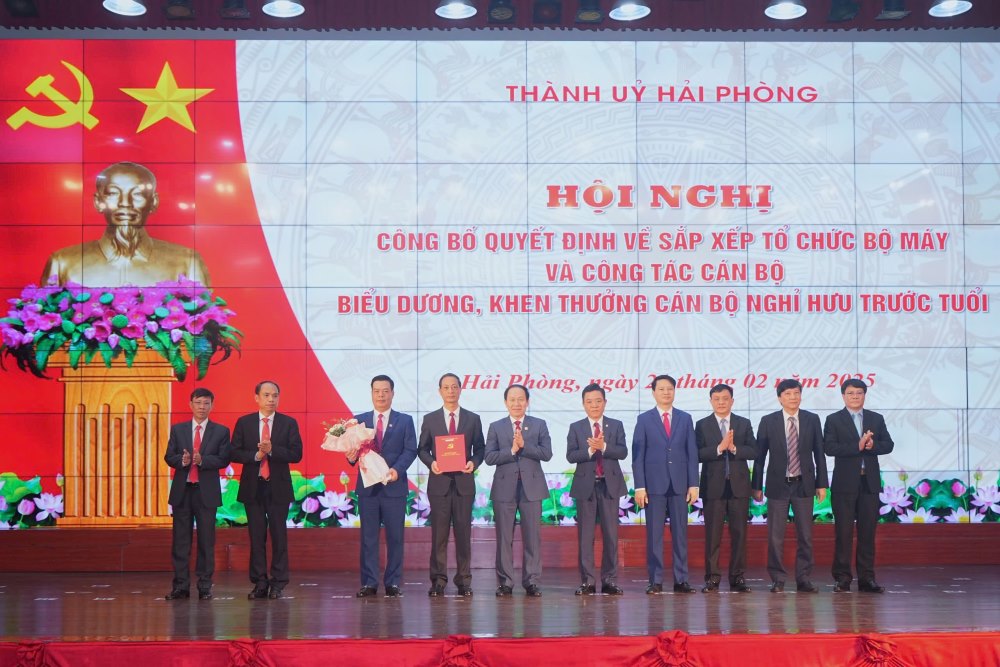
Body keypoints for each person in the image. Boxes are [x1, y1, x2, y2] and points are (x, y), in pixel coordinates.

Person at [41, 161, 210, 287]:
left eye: (137, 194)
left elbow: (204, 331)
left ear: (154, 202)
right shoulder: (62, 262)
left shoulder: (187, 262)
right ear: (99, 202)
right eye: (113, 193)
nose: (125, 203)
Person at [752, 378, 829, 593]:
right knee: (775, 536)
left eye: (796, 393)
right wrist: (756, 486)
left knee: (805, 535)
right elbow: (760, 457)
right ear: (779, 398)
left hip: (804, 484)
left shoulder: (812, 419)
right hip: (778, 485)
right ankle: (778, 578)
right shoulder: (768, 421)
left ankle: (803, 578)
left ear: (801, 395)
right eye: (787, 394)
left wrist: (821, 483)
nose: (792, 397)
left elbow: (819, 453)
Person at [230, 380, 303, 600]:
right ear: (257, 398)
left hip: (278, 487)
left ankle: (278, 583)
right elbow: (233, 452)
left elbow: (296, 453)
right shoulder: (244, 423)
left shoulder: (288, 423)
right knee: (256, 537)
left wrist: (272, 451)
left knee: (279, 536)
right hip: (254, 487)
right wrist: (255, 456)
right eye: (267, 395)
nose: (271, 399)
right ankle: (260, 582)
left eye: (275, 395)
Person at [417, 372, 485, 597]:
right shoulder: (430, 419)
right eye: (446, 387)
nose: (450, 391)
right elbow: (422, 449)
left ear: (460, 389)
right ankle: (438, 580)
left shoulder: (473, 419)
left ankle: (464, 580)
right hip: (440, 485)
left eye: (454, 387)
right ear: (439, 391)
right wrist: (432, 463)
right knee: (439, 535)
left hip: (464, 484)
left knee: (464, 534)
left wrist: (473, 463)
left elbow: (480, 449)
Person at [349, 374, 418, 598]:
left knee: (395, 537)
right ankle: (369, 583)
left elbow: (410, 450)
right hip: (368, 489)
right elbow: (353, 453)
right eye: (377, 391)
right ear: (371, 393)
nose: (381, 395)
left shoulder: (405, 420)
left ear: (393, 393)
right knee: (368, 537)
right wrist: (350, 457)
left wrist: (397, 470)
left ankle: (393, 583)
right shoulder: (359, 421)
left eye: (385, 390)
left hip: (394, 488)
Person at [824, 379, 895, 593]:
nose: (855, 396)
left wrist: (873, 446)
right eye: (850, 393)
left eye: (859, 393)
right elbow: (829, 447)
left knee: (867, 533)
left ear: (865, 395)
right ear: (843, 396)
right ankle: (842, 578)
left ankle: (867, 579)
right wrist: (857, 446)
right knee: (843, 533)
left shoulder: (876, 418)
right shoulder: (834, 419)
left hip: (869, 483)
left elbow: (888, 445)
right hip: (844, 484)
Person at [632, 374, 699, 594]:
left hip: (680, 485)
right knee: (655, 536)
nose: (666, 393)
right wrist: (640, 487)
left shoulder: (685, 418)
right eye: (661, 389)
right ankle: (656, 581)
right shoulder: (644, 420)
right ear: (653, 392)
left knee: (680, 535)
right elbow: (638, 456)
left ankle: (681, 580)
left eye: (669, 389)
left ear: (674, 391)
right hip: (654, 486)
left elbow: (691, 453)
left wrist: (693, 484)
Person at [484, 384, 552, 597]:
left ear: (527, 402)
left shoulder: (539, 425)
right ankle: (505, 582)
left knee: (533, 537)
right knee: (504, 538)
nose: (516, 403)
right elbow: (489, 457)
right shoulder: (496, 426)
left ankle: (531, 581)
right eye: (512, 399)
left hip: (532, 488)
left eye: (520, 399)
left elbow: (547, 453)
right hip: (504, 489)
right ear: (506, 402)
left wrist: (524, 447)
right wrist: (512, 450)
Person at [163, 387, 231, 600]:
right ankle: (180, 586)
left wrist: (203, 461)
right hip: (183, 492)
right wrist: (181, 461)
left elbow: (224, 459)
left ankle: (204, 586)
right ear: (190, 404)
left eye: (206, 403)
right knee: (180, 541)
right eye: (198, 403)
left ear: (212, 405)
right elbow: (169, 456)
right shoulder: (178, 430)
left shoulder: (221, 431)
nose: (202, 407)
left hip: (206, 493)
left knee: (206, 541)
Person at [695, 383, 758, 593]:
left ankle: (737, 578)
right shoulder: (702, 425)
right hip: (713, 488)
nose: (721, 402)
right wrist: (719, 449)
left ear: (732, 400)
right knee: (713, 536)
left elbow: (754, 451)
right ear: (711, 401)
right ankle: (712, 578)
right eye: (717, 399)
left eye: (725, 398)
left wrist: (734, 448)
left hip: (739, 487)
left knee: (739, 535)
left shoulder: (743, 423)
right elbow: (696, 454)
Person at [566, 383, 628, 596]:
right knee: (586, 537)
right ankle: (588, 582)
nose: (594, 405)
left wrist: (605, 448)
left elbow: (622, 452)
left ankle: (609, 580)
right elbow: (571, 456)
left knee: (611, 535)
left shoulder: (615, 425)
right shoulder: (576, 427)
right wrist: (591, 450)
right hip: (586, 487)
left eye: (598, 401)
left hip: (609, 486)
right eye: (589, 402)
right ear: (583, 404)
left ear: (605, 403)